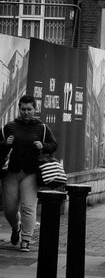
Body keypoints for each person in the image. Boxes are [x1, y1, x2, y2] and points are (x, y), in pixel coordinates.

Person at [1, 95, 58, 252]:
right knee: (9, 209)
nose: (26, 112)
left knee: (28, 207)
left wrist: (43, 146)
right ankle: (16, 227)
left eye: (29, 109)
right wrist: (5, 143)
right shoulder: (9, 127)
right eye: (23, 109)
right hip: (11, 173)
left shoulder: (42, 128)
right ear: (19, 109)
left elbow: (54, 145)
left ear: (35, 110)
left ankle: (26, 239)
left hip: (31, 173)